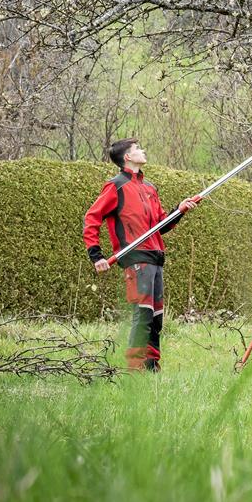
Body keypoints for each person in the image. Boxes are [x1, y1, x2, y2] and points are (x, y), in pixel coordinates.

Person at [83, 138, 197, 371]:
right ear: (127, 157)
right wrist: (96, 255)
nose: (143, 151)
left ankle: (152, 367)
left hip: (156, 257)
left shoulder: (150, 188)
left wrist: (180, 210)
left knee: (156, 317)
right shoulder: (115, 186)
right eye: (137, 149)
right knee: (142, 314)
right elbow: (91, 218)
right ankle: (135, 369)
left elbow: (161, 225)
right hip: (135, 258)